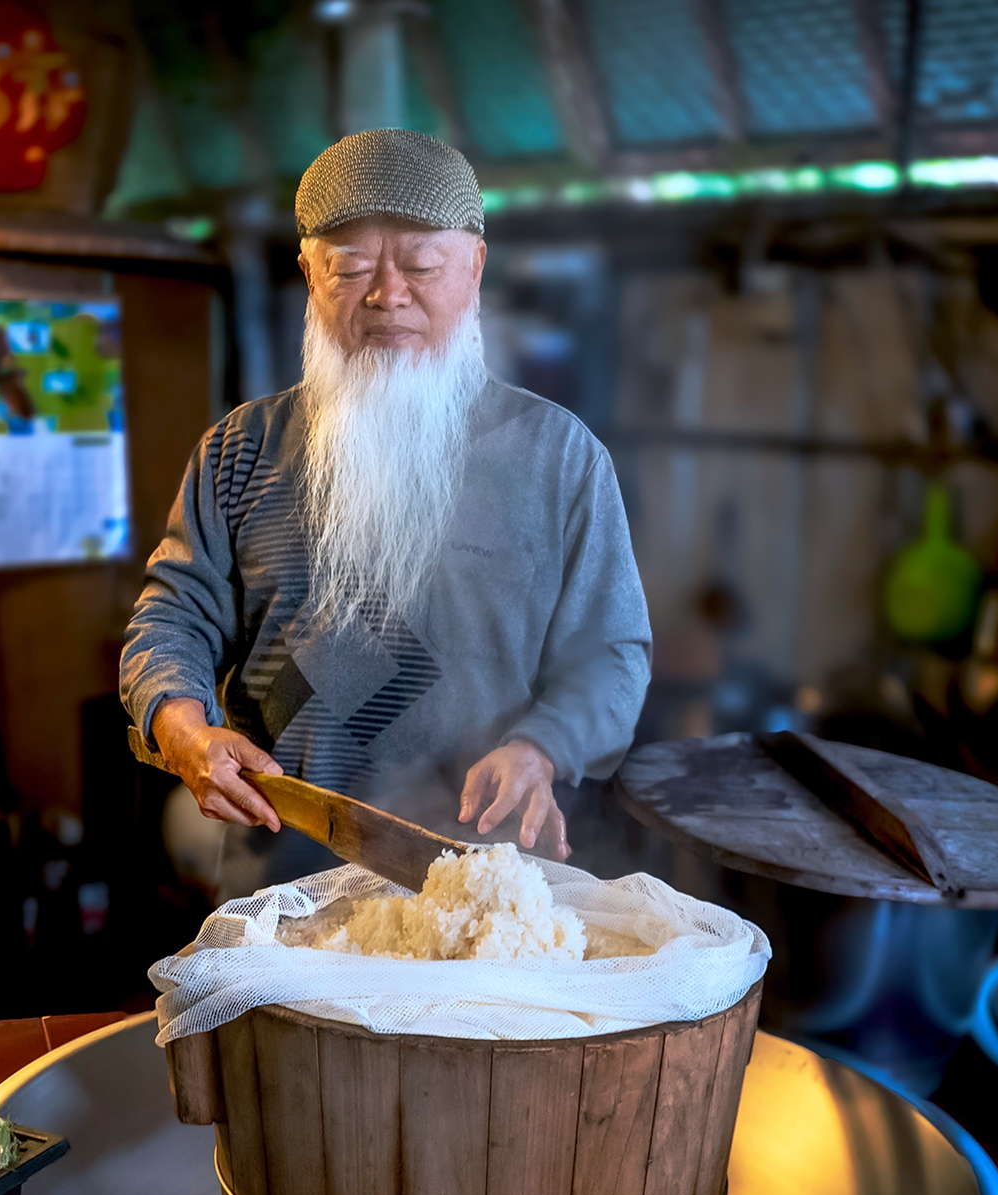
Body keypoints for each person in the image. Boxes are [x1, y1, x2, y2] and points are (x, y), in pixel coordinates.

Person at [120, 128, 650, 888]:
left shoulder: (557, 457)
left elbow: (611, 654)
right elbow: (174, 614)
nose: (388, 295)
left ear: (474, 266)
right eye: (351, 267)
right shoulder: (241, 450)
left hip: (488, 880)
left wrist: (543, 747)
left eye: (422, 265)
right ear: (308, 272)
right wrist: (182, 725)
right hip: (284, 877)